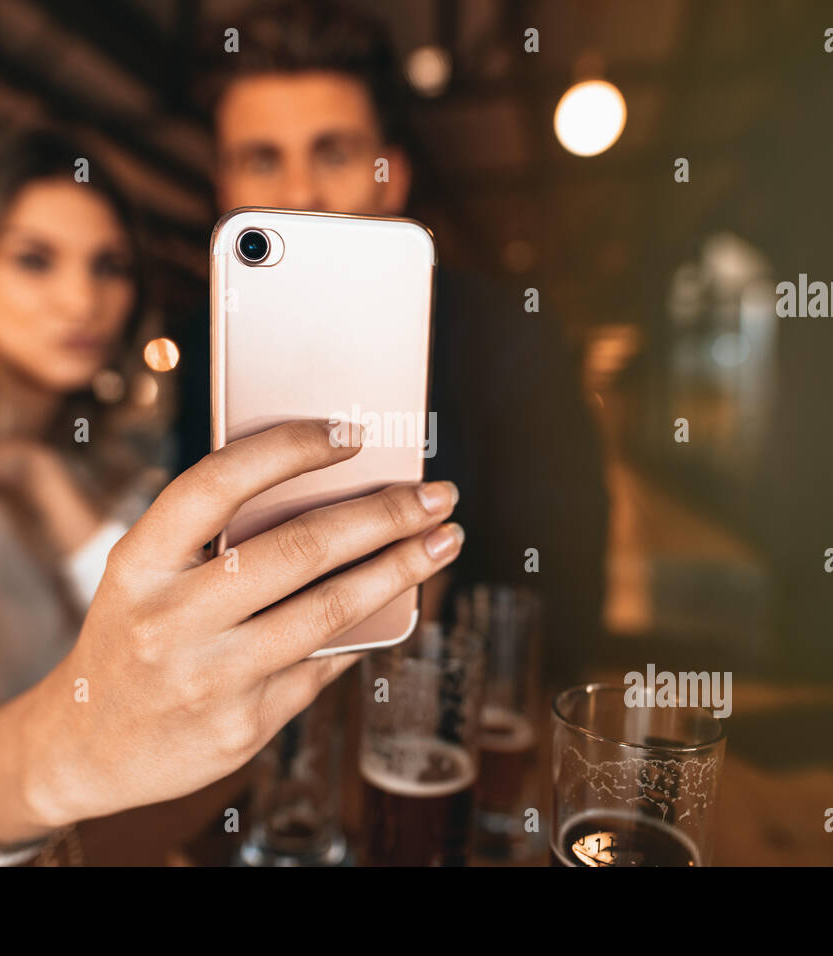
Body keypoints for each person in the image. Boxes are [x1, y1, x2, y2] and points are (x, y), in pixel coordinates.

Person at [0, 128, 463, 865]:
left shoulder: (77, 468)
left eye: (108, 265)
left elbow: (133, 623)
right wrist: (72, 753)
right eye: (33, 259)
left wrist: (37, 480)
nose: (81, 298)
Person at [177, 0, 609, 675]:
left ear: (393, 176)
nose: (300, 193)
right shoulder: (203, 348)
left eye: (336, 154)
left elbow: (569, 578)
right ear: (223, 189)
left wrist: (432, 612)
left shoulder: (506, 333)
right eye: (262, 162)